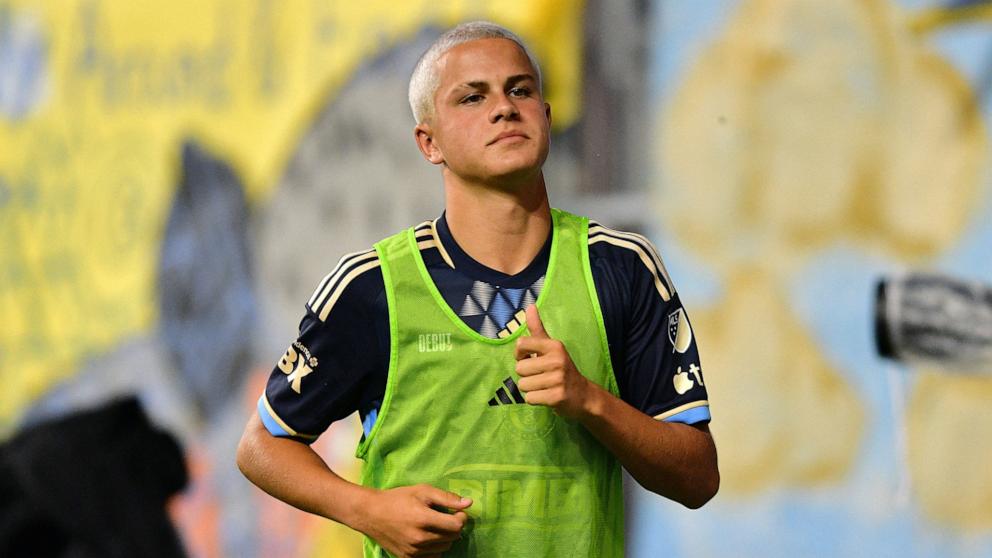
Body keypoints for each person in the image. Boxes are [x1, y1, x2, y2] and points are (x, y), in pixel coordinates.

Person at [237, 21, 719, 558]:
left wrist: (589, 401)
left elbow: (697, 478)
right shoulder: (371, 288)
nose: (504, 107)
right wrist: (368, 511)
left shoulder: (622, 267)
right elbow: (262, 446)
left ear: (547, 116)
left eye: (521, 89)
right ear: (429, 142)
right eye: (472, 97)